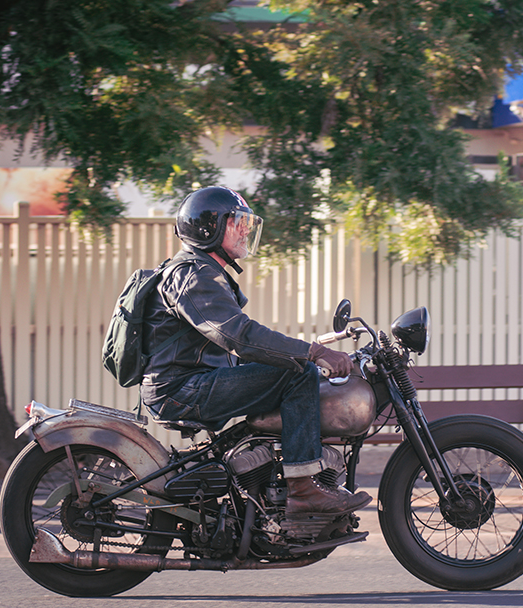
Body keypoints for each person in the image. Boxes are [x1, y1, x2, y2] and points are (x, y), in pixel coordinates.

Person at [141, 186, 371, 517]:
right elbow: (239, 336)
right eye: (237, 221)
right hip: (181, 389)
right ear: (211, 227)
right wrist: (312, 352)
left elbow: (241, 342)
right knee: (299, 374)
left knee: (290, 373)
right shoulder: (193, 275)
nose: (246, 229)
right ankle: (304, 488)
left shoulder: (205, 271)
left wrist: (296, 352)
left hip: (194, 382)